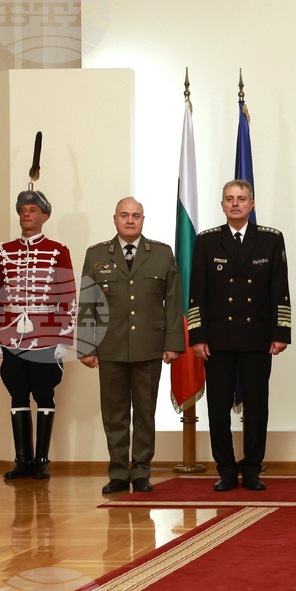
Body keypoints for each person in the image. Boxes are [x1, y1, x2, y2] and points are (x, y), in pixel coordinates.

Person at [189, 179, 291, 492]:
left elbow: (280, 289)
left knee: (257, 405)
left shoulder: (270, 240)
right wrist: (197, 335)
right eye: (230, 199)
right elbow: (197, 293)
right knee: (217, 407)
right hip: (217, 339)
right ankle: (226, 470)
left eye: (242, 198)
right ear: (222, 205)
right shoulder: (207, 241)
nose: (236, 204)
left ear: (251, 204)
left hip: (257, 337)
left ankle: (253, 468)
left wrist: (281, 331)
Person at [78, 197, 184, 494]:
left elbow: (174, 301)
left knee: (145, 413)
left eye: (135, 215)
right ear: (114, 219)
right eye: (124, 215)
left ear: (143, 220)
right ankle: (118, 473)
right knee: (114, 414)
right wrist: (86, 346)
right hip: (109, 347)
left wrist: (173, 343)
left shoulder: (162, 255)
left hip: (149, 346)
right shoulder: (97, 255)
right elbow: (87, 303)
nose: (129, 220)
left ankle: (141, 472)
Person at [0, 190, 76, 480]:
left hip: (47, 334)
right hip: (12, 334)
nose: (27, 213)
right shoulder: (3, 250)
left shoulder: (58, 249)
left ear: (44, 216)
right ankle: (22, 460)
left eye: (33, 210)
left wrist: (65, 338)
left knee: (44, 393)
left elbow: (69, 297)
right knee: (17, 394)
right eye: (23, 209)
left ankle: (41, 460)